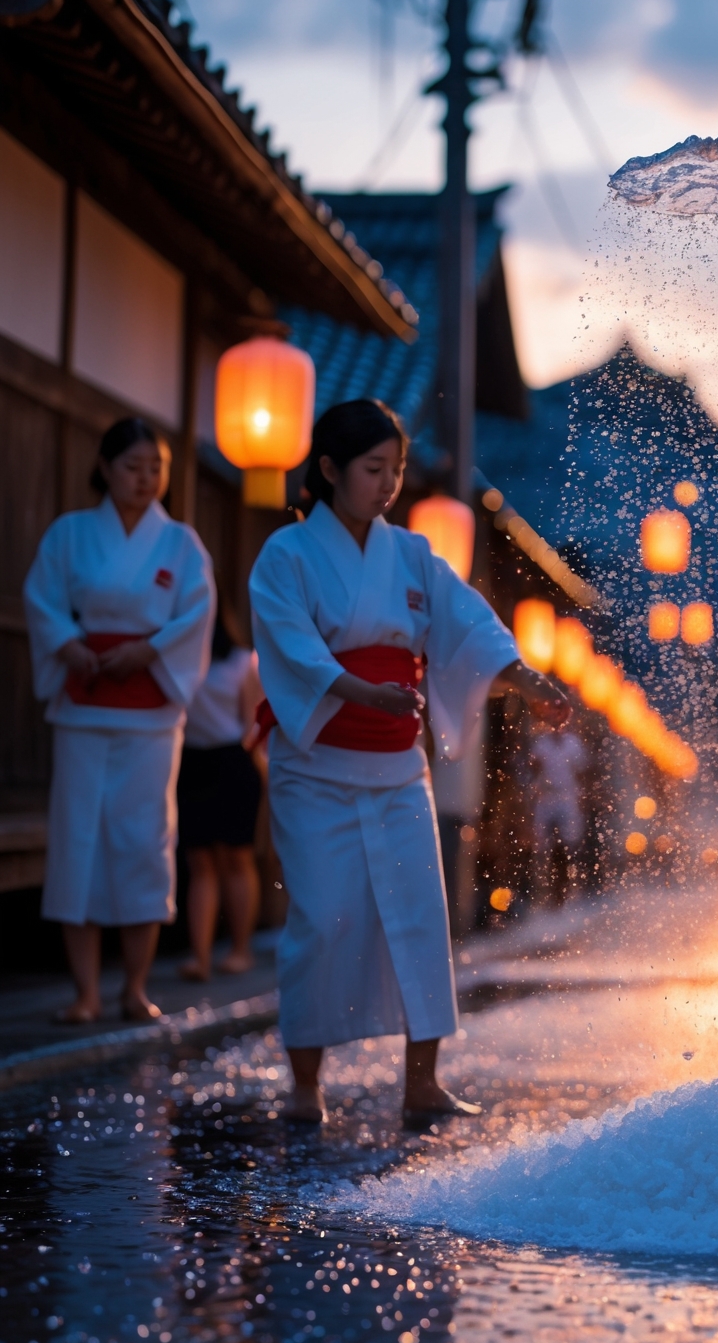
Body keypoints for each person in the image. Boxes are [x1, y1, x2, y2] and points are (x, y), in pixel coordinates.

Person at [248, 399, 571, 1128]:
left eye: (396, 469)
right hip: (318, 761)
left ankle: (422, 1080)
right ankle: (307, 1083)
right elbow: (292, 648)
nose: (389, 483)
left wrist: (524, 676)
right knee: (323, 918)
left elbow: (466, 623)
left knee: (420, 914)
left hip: (396, 763)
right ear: (329, 470)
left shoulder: (413, 553)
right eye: (373, 469)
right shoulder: (288, 555)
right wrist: (363, 689)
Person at [23, 417, 213, 1024]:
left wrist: (151, 649)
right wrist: (70, 644)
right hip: (85, 699)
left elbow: (195, 615)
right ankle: (85, 992)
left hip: (150, 710)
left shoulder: (182, 544)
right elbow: (43, 600)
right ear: (105, 467)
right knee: (77, 843)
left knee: (143, 843)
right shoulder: (70, 534)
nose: (146, 479)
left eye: (155, 469)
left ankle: (133, 988)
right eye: (134, 467)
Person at [176, 590, 265, 979]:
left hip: (233, 759)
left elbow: (253, 725)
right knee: (199, 860)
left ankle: (241, 948)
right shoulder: (180, 659)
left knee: (236, 857)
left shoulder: (243, 661)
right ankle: (201, 956)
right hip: (191, 759)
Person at [529, 715, 591, 907]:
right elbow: (534, 769)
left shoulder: (574, 744)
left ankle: (568, 886)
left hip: (567, 795)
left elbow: (581, 771)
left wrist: (583, 798)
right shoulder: (541, 743)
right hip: (547, 796)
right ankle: (543, 888)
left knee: (568, 843)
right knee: (541, 844)